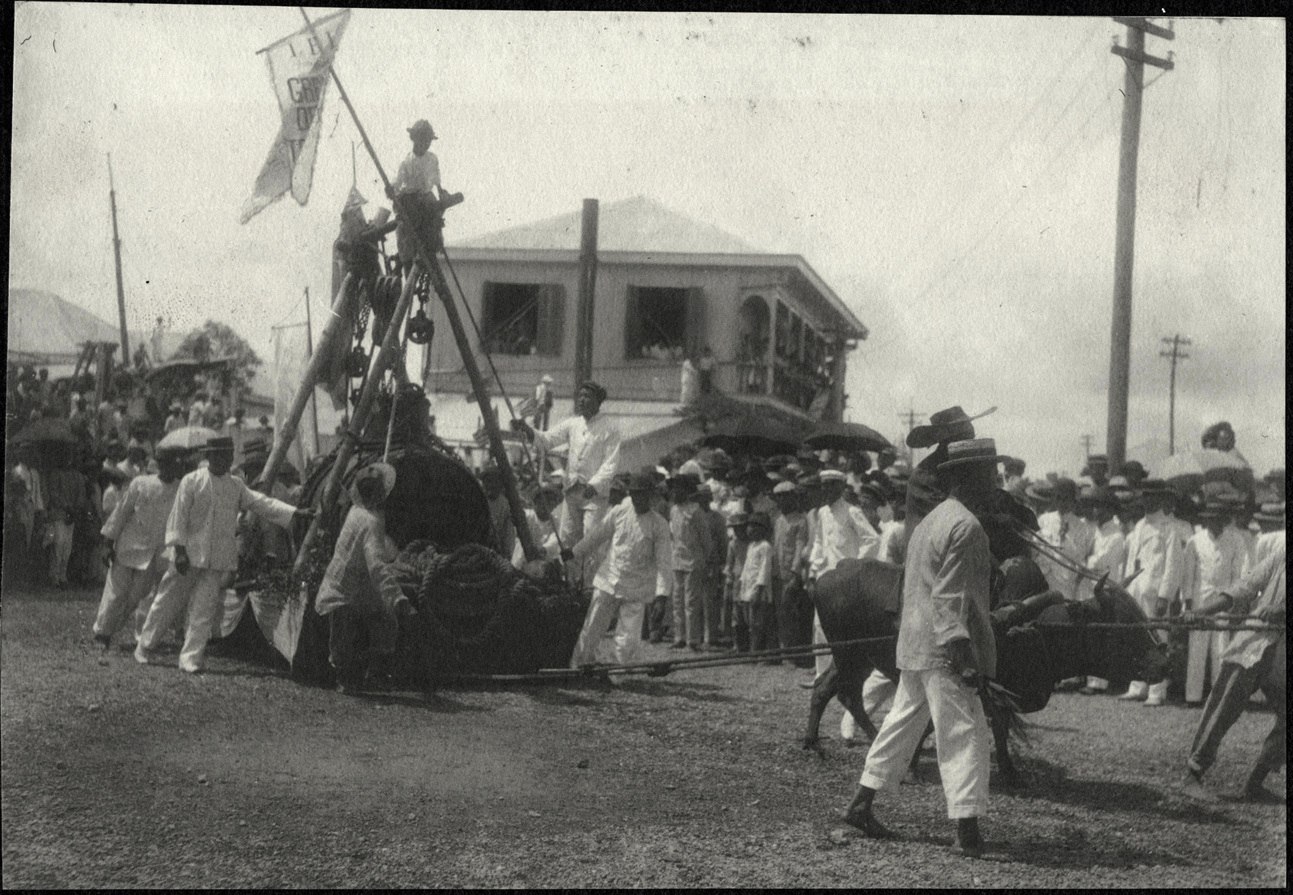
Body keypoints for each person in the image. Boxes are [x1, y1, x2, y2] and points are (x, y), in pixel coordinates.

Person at [841, 438, 1002, 858]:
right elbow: (950, 599)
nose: (996, 480)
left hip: (914, 642)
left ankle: (861, 804)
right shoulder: (967, 526)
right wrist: (962, 653)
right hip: (945, 648)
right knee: (964, 733)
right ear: (971, 478)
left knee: (901, 725)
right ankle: (967, 832)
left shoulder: (932, 521)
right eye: (991, 472)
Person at [134, 437, 310, 674]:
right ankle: (144, 646)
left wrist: (295, 512)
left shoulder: (235, 485)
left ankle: (190, 659)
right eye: (219, 456)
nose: (225, 460)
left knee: (203, 609)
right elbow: (179, 516)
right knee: (167, 601)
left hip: (216, 558)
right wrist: (179, 549)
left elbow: (262, 503)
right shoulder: (191, 481)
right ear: (210, 457)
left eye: (228, 456)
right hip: (187, 554)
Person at [1178, 540, 1285, 802]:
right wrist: (1202, 612)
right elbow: (1247, 585)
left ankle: (1255, 783)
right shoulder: (1283, 551)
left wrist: (1281, 610)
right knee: (1223, 705)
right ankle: (1193, 774)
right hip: (1255, 639)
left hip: (1283, 648)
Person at [314, 463, 415, 695]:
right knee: (347, 631)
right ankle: (351, 678)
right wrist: (397, 597)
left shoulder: (356, 512)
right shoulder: (370, 520)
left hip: (350, 582)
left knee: (381, 621)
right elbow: (377, 565)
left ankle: (368, 675)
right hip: (346, 588)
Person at [511, 381, 621, 581]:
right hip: (572, 492)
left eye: (587, 396)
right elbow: (547, 440)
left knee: (590, 541)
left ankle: (588, 586)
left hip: (593, 496)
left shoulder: (610, 428)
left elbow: (610, 463)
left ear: (598, 401)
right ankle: (570, 584)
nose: (582, 400)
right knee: (567, 541)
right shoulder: (573, 424)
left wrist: (594, 485)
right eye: (580, 396)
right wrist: (527, 430)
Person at [564, 473, 672, 670]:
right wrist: (573, 552)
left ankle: (617, 672)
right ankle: (579, 666)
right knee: (592, 628)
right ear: (631, 494)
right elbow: (597, 535)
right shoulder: (620, 511)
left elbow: (664, 562)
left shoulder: (660, 525)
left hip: (637, 587)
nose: (639, 499)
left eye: (643, 495)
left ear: (651, 496)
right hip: (609, 578)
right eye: (635, 495)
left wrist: (662, 596)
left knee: (628, 639)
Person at [93, 448, 187, 651]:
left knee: (137, 597)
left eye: (173, 464)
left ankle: (129, 635)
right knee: (115, 592)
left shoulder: (181, 489)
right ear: (159, 464)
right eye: (165, 463)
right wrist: (108, 543)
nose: (170, 468)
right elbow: (121, 512)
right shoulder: (141, 483)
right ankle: (102, 633)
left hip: (153, 553)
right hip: (127, 547)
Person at [1120, 479, 1184, 706]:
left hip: (1155, 592)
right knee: (1136, 637)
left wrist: (1165, 595)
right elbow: (1131, 560)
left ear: (1161, 499)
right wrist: (1125, 588)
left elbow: (1173, 566)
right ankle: (1137, 686)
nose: (1148, 501)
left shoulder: (1170, 529)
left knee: (1158, 639)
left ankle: (1157, 691)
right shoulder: (1139, 526)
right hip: (1136, 590)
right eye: (1145, 496)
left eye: (1153, 497)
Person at [1179, 501, 1248, 706]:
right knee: (1197, 648)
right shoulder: (1195, 540)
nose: (1213, 523)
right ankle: (1193, 696)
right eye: (1209, 519)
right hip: (1200, 597)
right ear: (1205, 520)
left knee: (1221, 648)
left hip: (1224, 598)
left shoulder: (1236, 540)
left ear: (1224, 520)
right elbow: (1188, 576)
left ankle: (1218, 697)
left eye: (1217, 519)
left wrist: (1235, 600)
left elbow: (1240, 573)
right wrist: (1189, 605)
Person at [1079, 487, 1129, 695]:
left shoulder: (1116, 536)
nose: (1096, 511)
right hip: (1090, 586)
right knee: (1092, 632)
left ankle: (1101, 681)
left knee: (1103, 633)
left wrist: (1083, 562)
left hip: (1106, 589)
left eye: (1100, 507)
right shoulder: (1095, 532)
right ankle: (1091, 678)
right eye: (1094, 506)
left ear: (1110, 510)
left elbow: (1101, 561)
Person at [389, 118, 447, 268]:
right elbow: (397, 183)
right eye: (423, 140)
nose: (426, 144)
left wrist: (442, 196)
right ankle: (408, 260)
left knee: (433, 230)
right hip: (410, 202)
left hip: (427, 200)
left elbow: (436, 180)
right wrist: (391, 191)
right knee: (406, 232)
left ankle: (431, 253)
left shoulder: (432, 159)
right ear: (414, 139)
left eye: (428, 141)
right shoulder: (406, 161)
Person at [1034, 477, 1095, 599]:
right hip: (1045, 582)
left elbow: (1082, 558)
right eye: (1059, 498)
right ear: (1054, 499)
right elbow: (1036, 550)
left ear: (1073, 500)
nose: (1062, 503)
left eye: (1066, 499)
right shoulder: (1043, 521)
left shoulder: (1083, 528)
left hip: (1069, 586)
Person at [667, 475, 708, 650]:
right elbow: (672, 536)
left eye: (678, 489)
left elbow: (705, 538)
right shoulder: (674, 510)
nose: (675, 493)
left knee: (691, 602)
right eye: (674, 489)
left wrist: (704, 558)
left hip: (693, 560)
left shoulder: (695, 511)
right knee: (677, 600)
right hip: (677, 560)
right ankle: (679, 637)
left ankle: (693, 640)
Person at [771, 481, 809, 659]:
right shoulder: (779, 520)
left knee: (792, 612)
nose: (781, 501)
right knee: (780, 611)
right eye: (779, 498)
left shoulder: (801, 520)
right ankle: (784, 647)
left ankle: (794, 650)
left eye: (785, 497)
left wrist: (795, 573)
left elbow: (800, 548)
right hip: (777, 572)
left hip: (791, 574)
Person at [44, 456, 90, 588]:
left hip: (72, 515)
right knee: (58, 545)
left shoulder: (78, 476)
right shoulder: (55, 474)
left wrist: (75, 509)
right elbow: (54, 494)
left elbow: (81, 495)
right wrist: (67, 507)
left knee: (67, 548)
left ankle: (63, 576)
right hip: (59, 513)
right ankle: (54, 576)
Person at [735, 512, 775, 658]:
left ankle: (759, 652)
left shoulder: (765, 547)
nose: (749, 530)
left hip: (759, 591)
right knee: (750, 623)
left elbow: (764, 569)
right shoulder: (751, 546)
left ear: (761, 529)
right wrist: (741, 585)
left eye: (752, 526)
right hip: (747, 589)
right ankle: (753, 650)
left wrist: (759, 589)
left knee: (759, 623)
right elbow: (746, 568)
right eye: (748, 527)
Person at [512, 485, 563, 570]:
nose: (546, 504)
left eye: (551, 501)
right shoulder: (527, 516)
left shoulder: (556, 523)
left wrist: (542, 549)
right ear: (536, 502)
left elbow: (555, 541)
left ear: (555, 505)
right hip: (520, 562)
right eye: (543, 500)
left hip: (542, 566)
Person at [478, 465, 516, 561]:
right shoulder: (477, 498)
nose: (491, 485)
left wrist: (506, 555)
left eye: (495, 481)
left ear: (501, 484)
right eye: (488, 481)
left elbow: (508, 532)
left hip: (495, 550)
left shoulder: (505, 504)